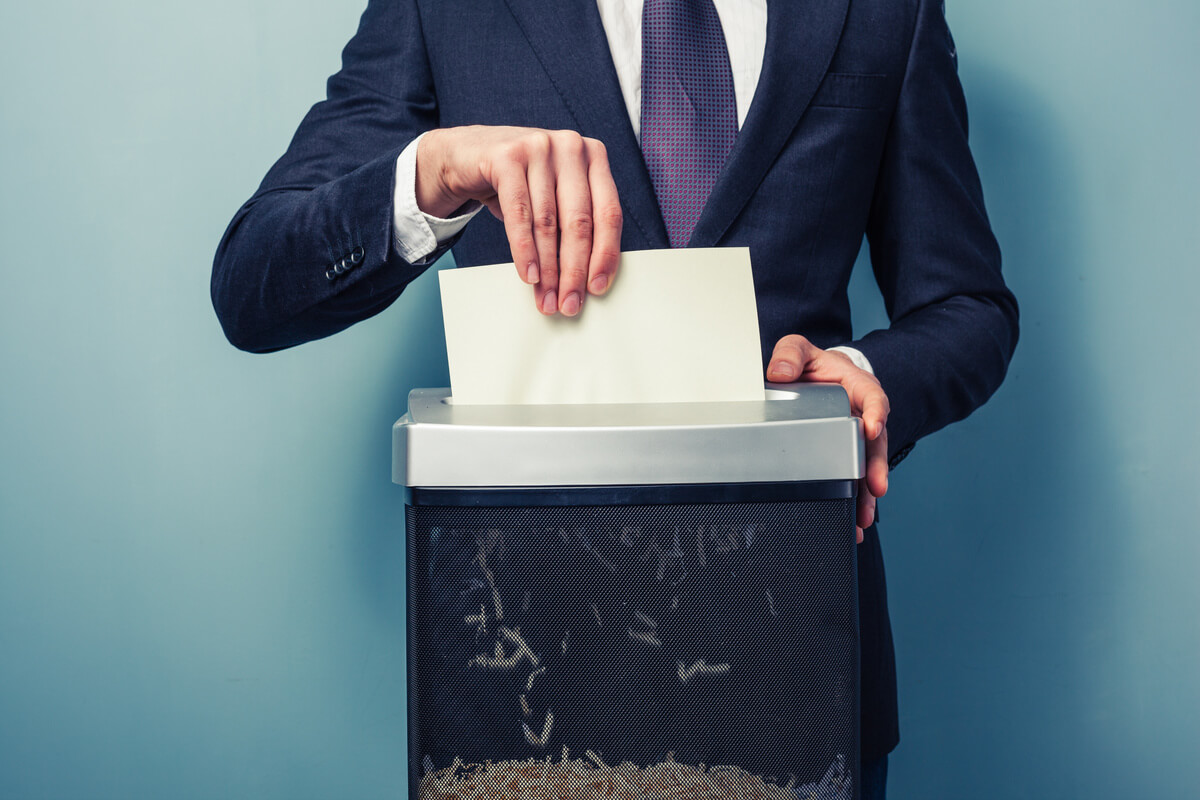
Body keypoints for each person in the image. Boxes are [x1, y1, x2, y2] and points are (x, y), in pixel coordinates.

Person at [213, 0, 1019, 794]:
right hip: (528, 684)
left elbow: (969, 307)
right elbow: (253, 281)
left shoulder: (886, 9)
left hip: (798, 669)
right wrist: (430, 174)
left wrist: (866, 374)